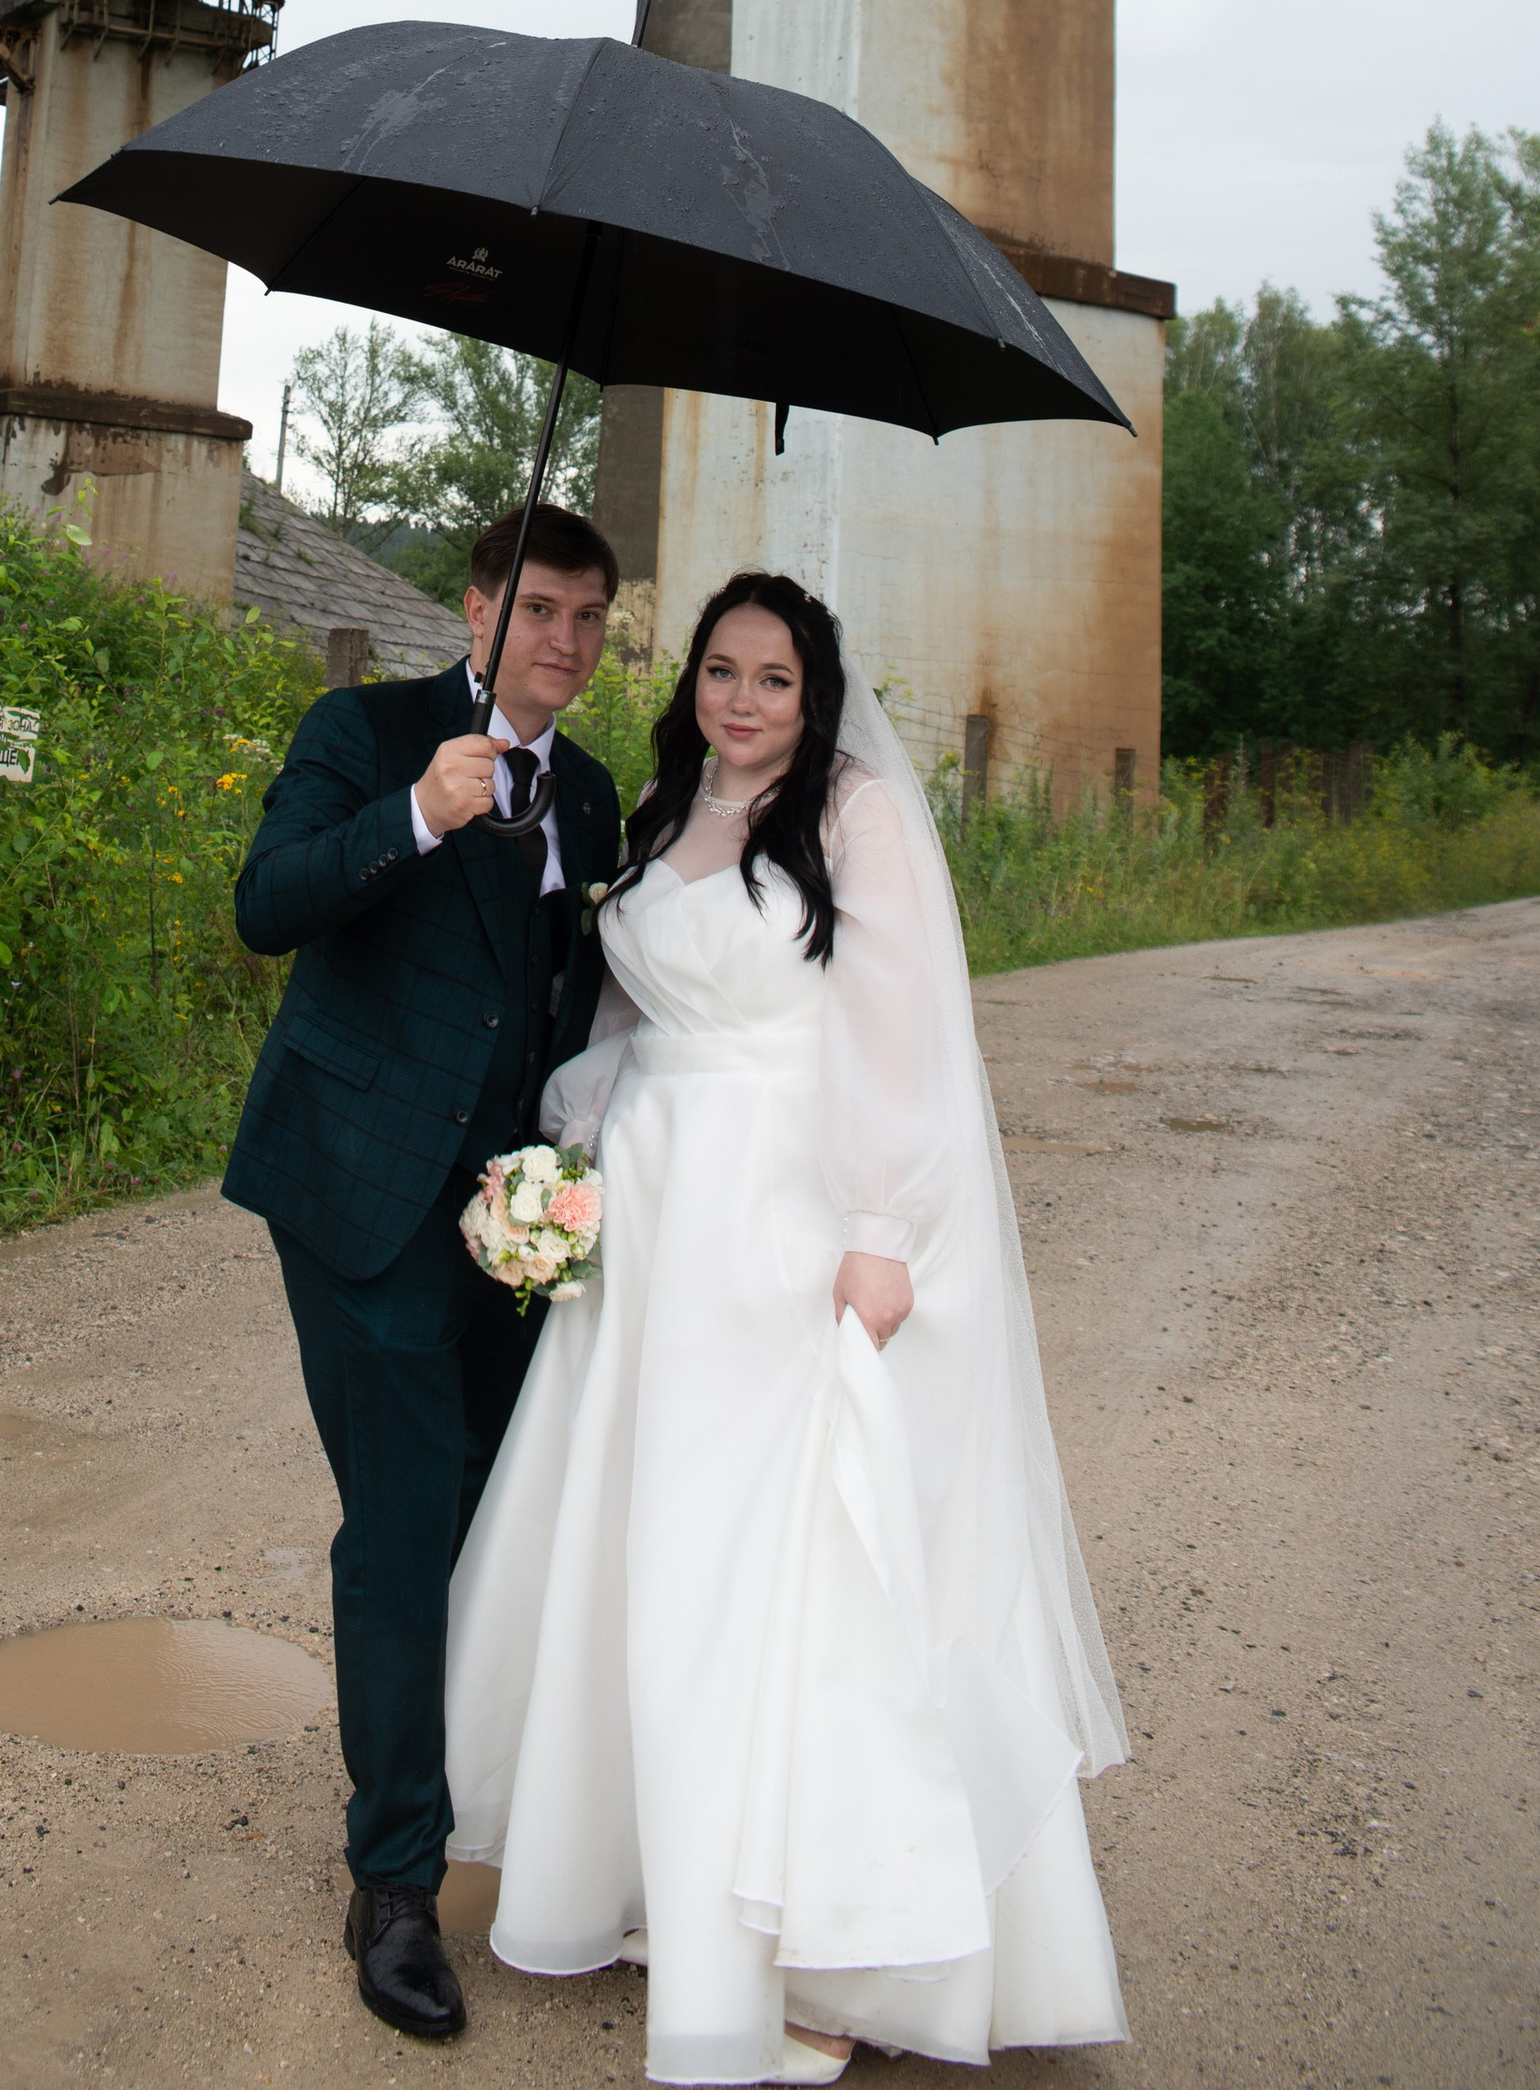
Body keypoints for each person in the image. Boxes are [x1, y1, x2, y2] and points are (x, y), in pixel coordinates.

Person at [444, 570, 1130, 2085]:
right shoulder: (659, 813)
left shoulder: (856, 819)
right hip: (656, 1225)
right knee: (657, 1551)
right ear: (690, 681)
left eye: (773, 679)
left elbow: (902, 1036)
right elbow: (632, 1022)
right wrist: (567, 1158)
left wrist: (880, 1229)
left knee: (795, 1564)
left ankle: (837, 1953)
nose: (742, 701)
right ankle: (673, 1881)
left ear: (814, 698)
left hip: (787, 1222)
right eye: (720, 671)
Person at [223, 504, 626, 2043]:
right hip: (358, 1195)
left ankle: (457, 1781)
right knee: (398, 1535)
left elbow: (572, 1003)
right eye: (540, 611)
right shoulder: (368, 733)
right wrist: (414, 815)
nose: (565, 642)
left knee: (482, 1516)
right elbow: (267, 905)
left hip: (511, 1222)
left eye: (590, 618)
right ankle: (393, 1883)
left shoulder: (591, 794)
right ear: (477, 610)